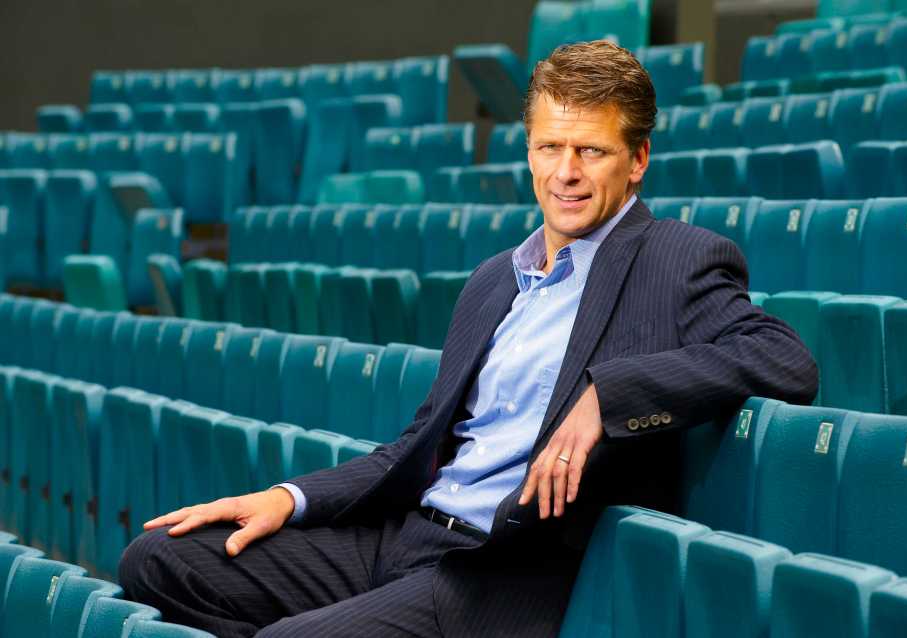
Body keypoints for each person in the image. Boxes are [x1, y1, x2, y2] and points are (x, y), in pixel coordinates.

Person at [119, 41, 819, 637]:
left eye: (590, 151)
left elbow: (783, 359)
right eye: (549, 147)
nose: (565, 173)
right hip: (408, 536)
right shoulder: (495, 278)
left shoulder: (678, 257)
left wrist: (607, 398)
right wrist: (289, 498)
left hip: (502, 569)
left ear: (636, 160)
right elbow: (415, 446)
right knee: (157, 560)